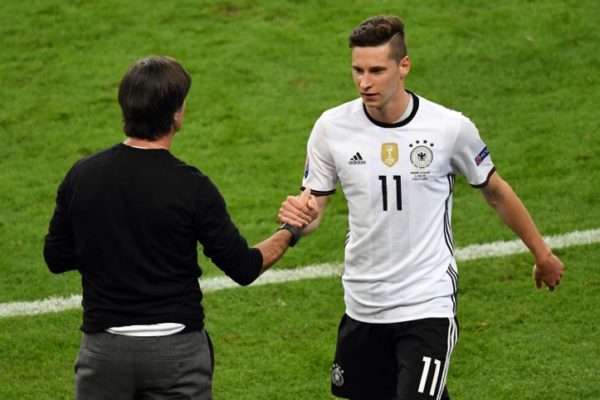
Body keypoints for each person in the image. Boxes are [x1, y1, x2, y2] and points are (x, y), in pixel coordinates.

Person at [278, 16, 564, 400]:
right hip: (363, 303)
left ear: (404, 66)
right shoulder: (331, 128)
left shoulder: (449, 128)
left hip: (426, 301)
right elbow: (316, 208)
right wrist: (302, 215)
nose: (365, 82)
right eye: (357, 70)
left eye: (377, 70)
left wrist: (542, 253)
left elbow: (495, 191)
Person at [43, 55, 309, 400]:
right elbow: (244, 267)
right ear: (175, 115)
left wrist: (112, 247)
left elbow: (56, 258)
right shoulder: (192, 187)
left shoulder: (82, 176)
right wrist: (291, 230)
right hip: (177, 356)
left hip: (104, 356)